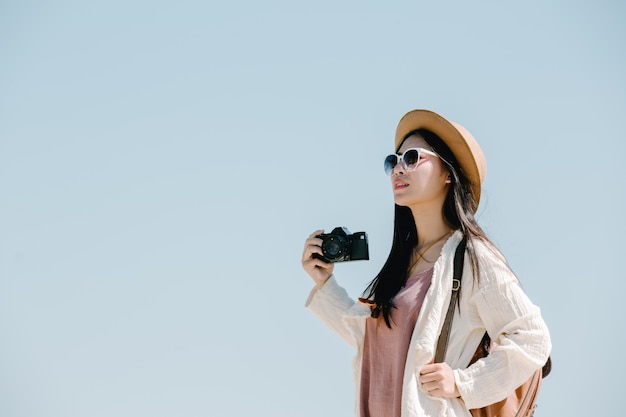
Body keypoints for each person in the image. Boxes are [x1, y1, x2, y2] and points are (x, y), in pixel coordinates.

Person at [301, 109, 551, 417]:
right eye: (392, 161)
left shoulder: (472, 257)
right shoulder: (402, 263)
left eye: (412, 158)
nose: (397, 169)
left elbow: (532, 339)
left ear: (448, 172)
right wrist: (324, 284)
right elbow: (375, 345)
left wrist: (462, 383)